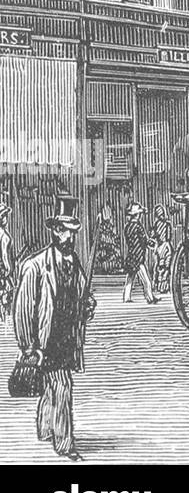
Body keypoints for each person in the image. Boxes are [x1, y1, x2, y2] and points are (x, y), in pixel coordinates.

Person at [12, 195, 97, 461]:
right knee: (62, 386)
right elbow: (23, 311)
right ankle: (64, 443)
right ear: (55, 230)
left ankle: (45, 428)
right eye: (64, 231)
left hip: (68, 338)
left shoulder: (74, 264)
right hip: (46, 340)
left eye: (72, 232)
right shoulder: (35, 267)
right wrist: (28, 347)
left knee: (52, 386)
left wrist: (88, 306)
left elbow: (84, 295)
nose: (69, 237)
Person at [120, 201, 158, 304]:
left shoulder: (127, 227)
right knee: (146, 280)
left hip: (131, 255)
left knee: (130, 279)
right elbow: (144, 240)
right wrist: (151, 243)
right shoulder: (138, 227)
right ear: (137, 215)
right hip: (138, 257)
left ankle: (126, 298)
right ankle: (150, 298)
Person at [150, 205, 174, 294]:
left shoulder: (157, 225)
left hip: (162, 247)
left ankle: (161, 286)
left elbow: (154, 236)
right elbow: (168, 236)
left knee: (162, 267)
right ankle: (162, 286)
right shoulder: (165, 224)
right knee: (163, 268)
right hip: (164, 247)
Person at [0, 201, 16, 318]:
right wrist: (9, 270)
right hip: (2, 278)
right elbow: (6, 261)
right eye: (4, 215)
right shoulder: (4, 236)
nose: (6, 218)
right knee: (5, 305)